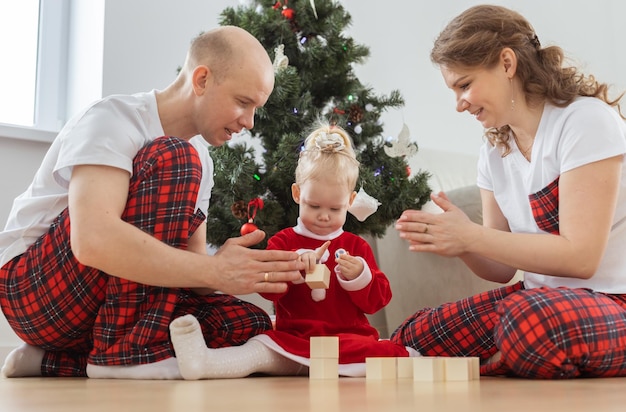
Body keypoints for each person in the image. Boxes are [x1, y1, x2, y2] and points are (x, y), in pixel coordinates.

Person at [0, 25, 306, 380]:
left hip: (106, 308)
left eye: (256, 109)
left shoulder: (202, 161)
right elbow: (92, 241)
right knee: (176, 156)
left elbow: (189, 272)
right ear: (202, 80)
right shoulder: (114, 118)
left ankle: (55, 362)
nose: (249, 122)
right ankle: (126, 356)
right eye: (243, 102)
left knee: (248, 323)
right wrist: (214, 271)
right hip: (35, 293)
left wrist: (234, 271)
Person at [390, 4, 626, 379]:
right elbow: (502, 270)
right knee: (412, 336)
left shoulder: (585, 122)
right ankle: (516, 357)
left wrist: (473, 236)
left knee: (525, 325)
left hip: (613, 299)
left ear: (506, 63)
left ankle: (512, 353)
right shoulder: (495, 151)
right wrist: (461, 241)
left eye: (465, 85)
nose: (459, 104)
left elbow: (581, 258)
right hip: (538, 300)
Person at [169, 122, 417, 380]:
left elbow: (378, 300)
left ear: (350, 201)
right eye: (314, 205)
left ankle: (391, 361)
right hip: (297, 339)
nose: (323, 216)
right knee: (261, 346)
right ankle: (205, 363)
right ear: (298, 194)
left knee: (384, 351)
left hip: (346, 339)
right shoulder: (283, 241)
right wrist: (292, 266)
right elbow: (266, 290)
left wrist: (359, 276)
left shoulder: (356, 246)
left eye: (335, 209)